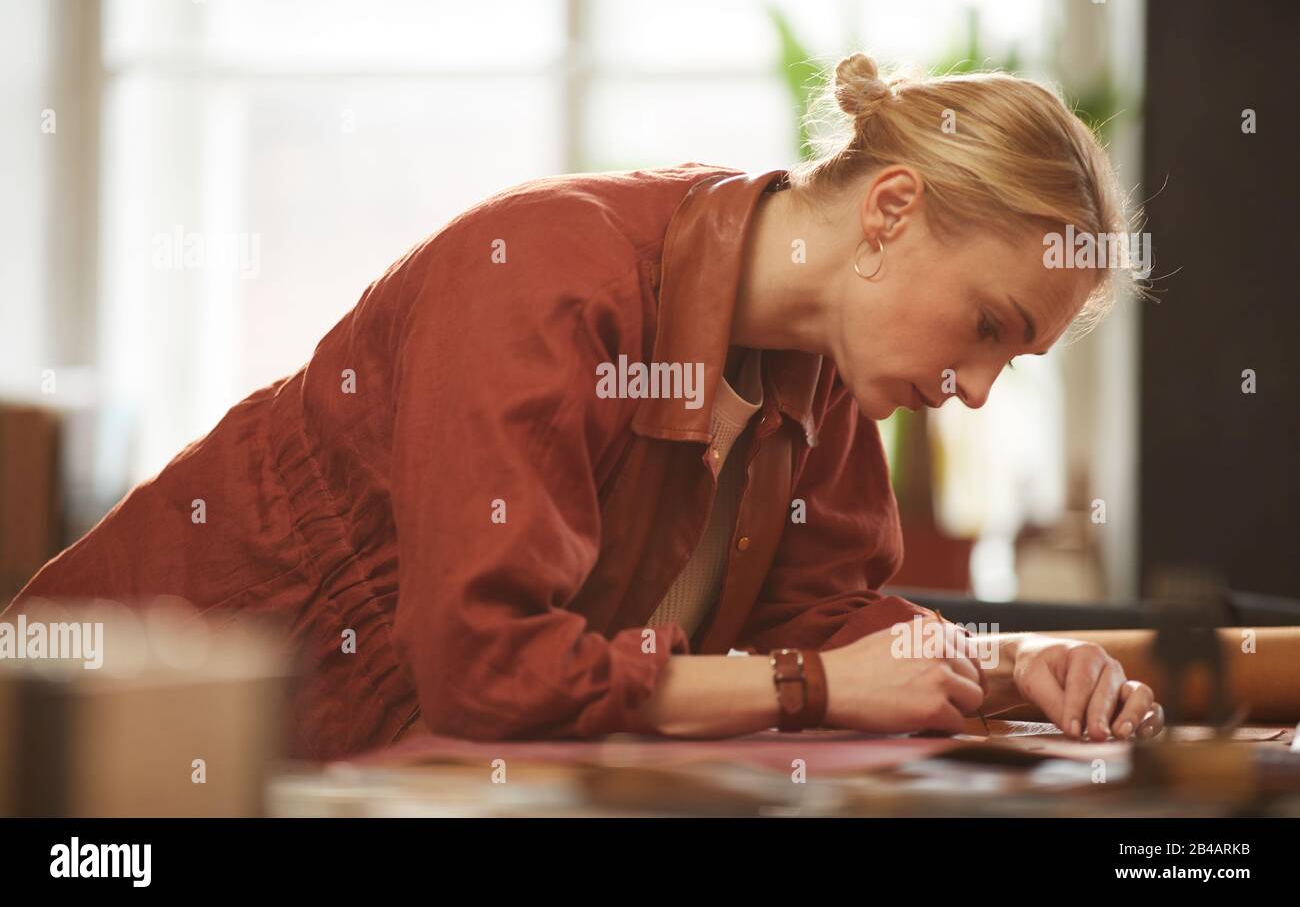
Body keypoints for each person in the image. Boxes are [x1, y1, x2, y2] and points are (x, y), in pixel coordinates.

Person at [4, 53, 1164, 760]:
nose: (971, 389)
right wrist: (810, 688)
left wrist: (1008, 667)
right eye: (990, 326)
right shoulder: (547, 278)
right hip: (94, 758)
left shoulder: (826, 376)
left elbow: (811, 619)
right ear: (890, 210)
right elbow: (489, 666)